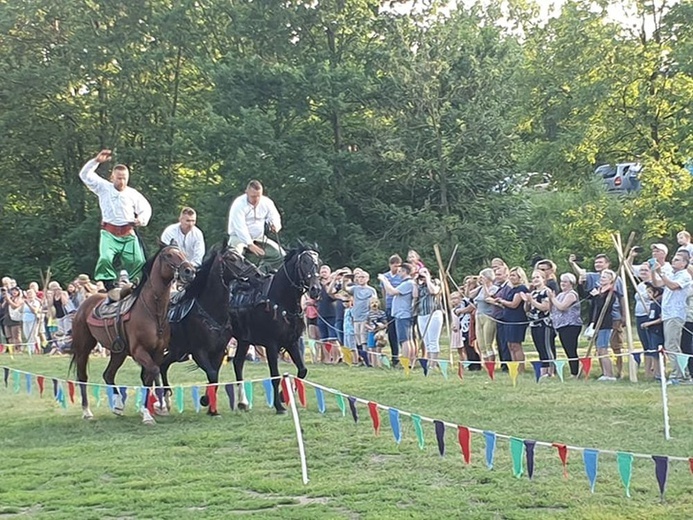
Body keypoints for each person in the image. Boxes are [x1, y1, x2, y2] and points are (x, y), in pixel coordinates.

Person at [78, 149, 152, 295]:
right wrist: (96, 161)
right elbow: (84, 175)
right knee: (105, 258)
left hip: (127, 233)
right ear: (112, 177)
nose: (122, 181)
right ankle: (109, 285)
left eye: (124, 178)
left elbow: (146, 208)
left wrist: (141, 220)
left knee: (138, 260)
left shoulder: (132, 194)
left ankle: (136, 284)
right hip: (109, 233)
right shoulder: (103, 187)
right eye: (119, 178)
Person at [227, 180, 283, 272]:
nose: (256, 199)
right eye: (253, 196)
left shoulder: (267, 202)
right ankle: (236, 281)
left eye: (258, 196)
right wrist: (250, 244)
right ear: (246, 192)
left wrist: (275, 225)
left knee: (280, 256)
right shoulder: (238, 204)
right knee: (233, 257)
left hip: (259, 238)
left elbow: (274, 216)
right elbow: (240, 227)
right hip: (238, 237)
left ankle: (261, 275)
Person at [548, 273, 582, 377]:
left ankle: (574, 372)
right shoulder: (560, 295)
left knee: (571, 348)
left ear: (571, 283)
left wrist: (553, 299)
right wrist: (551, 300)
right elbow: (552, 308)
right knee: (567, 349)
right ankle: (574, 370)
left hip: (571, 325)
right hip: (561, 325)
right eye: (561, 281)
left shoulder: (571, 294)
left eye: (565, 282)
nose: (563, 284)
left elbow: (562, 307)